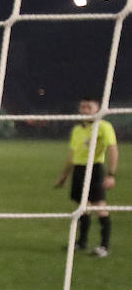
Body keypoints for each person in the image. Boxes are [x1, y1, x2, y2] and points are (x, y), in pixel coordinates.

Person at [55, 96, 118, 257]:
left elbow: (113, 149)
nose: (85, 111)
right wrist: (64, 175)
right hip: (79, 170)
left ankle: (104, 246)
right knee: (83, 206)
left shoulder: (104, 126)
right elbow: (72, 154)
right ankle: (82, 242)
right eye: (83, 107)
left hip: (95, 169)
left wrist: (111, 174)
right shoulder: (77, 130)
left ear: (98, 110)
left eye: (89, 107)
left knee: (100, 206)